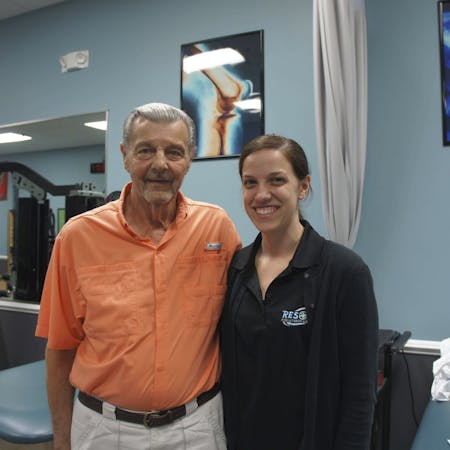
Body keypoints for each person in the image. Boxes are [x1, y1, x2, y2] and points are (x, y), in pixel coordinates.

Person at [35, 102, 241, 450]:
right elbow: (59, 350)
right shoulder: (78, 237)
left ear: (189, 158)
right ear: (125, 156)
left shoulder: (216, 228)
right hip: (104, 431)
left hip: (197, 428)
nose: (160, 164)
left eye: (174, 152)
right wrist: (62, 439)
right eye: (146, 150)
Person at [220, 134, 379, 450]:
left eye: (276, 180)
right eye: (250, 183)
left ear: (303, 186)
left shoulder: (344, 272)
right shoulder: (236, 268)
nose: (261, 194)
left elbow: (360, 394)